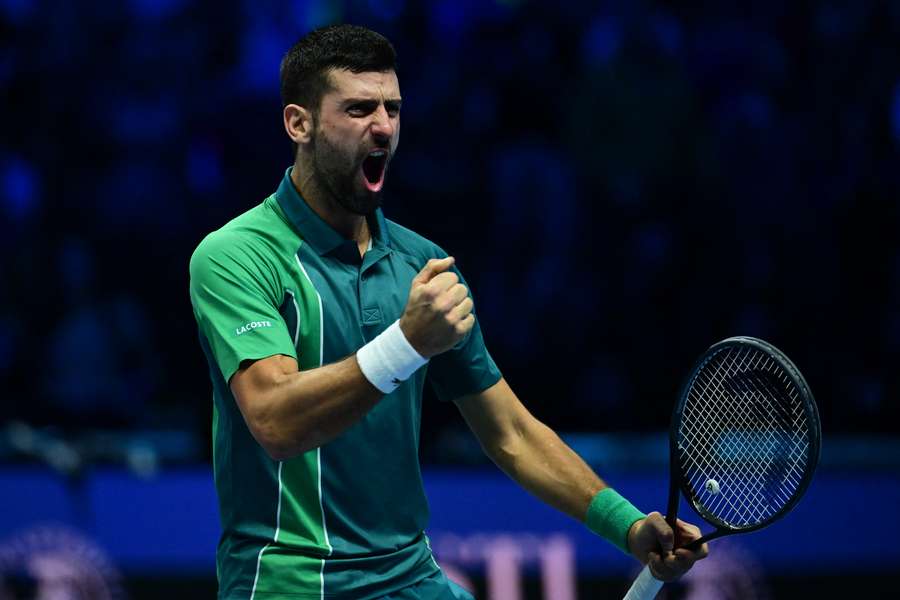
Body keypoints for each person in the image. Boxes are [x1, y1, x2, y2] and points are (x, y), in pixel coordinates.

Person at [189, 24, 707, 600]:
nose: (382, 125)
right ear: (299, 123)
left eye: (393, 108)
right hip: (290, 581)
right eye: (358, 109)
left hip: (410, 577)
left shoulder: (425, 266)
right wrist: (405, 344)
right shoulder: (235, 256)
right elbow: (275, 422)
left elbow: (510, 432)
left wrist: (630, 526)